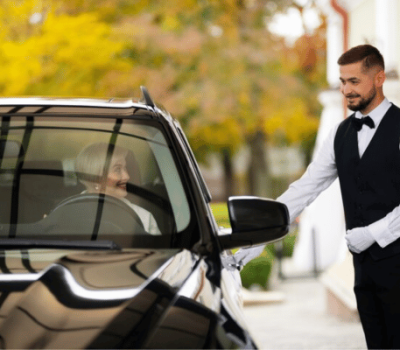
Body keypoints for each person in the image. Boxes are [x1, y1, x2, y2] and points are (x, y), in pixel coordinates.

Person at [233, 44, 400, 349]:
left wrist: (374, 233)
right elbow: (305, 188)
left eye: (354, 81)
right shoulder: (340, 134)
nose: (346, 90)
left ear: (378, 79)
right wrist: (258, 238)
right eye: (342, 82)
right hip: (365, 272)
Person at [75, 142, 160, 235]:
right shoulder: (67, 214)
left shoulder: (143, 218)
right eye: (117, 169)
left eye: (125, 168)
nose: (127, 176)